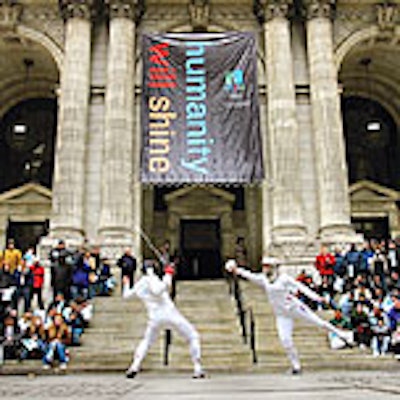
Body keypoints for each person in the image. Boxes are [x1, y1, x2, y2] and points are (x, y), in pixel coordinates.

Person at [225, 257, 354, 374]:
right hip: (281, 314)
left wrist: (316, 298)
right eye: (264, 266)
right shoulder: (263, 279)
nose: (265, 269)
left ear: (274, 267)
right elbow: (249, 275)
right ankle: (296, 366)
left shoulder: (284, 279)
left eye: (267, 266)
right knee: (285, 340)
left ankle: (344, 335)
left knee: (318, 322)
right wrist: (236, 269)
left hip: (294, 307)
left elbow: (300, 287)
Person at [122, 263, 205, 379]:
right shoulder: (152, 279)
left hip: (154, 318)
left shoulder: (140, 284)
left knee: (147, 341)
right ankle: (198, 368)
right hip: (169, 314)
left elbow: (126, 295)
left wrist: (126, 284)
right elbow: (158, 290)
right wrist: (168, 274)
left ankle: (134, 366)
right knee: (193, 335)